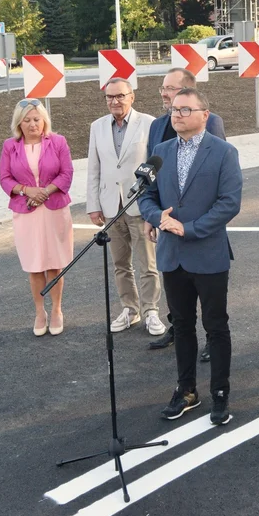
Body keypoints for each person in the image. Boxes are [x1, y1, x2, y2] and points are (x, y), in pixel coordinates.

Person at [139, 88, 242, 426]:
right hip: (172, 255)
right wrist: (158, 218)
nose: (177, 114)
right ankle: (186, 390)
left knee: (215, 326)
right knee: (181, 324)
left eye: (185, 109)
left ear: (204, 115)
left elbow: (229, 203)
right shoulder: (161, 151)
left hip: (208, 253)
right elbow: (146, 196)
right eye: (174, 109)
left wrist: (190, 228)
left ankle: (220, 392)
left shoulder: (224, 152)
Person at [145, 67, 226, 357]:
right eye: (163, 89)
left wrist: (191, 226)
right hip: (166, 226)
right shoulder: (157, 125)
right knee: (179, 299)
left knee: (209, 302)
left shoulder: (211, 123)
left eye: (171, 89)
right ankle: (176, 329)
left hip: (200, 233)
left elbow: (215, 176)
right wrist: (151, 216)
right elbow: (149, 175)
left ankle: (208, 341)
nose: (165, 94)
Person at [86, 78, 165, 337]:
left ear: (132, 97)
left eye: (120, 96)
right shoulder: (97, 127)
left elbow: (156, 166)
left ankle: (151, 310)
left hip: (140, 206)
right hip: (111, 206)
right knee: (120, 263)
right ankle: (130, 309)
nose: (115, 101)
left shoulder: (149, 123)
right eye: (110, 97)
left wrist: (155, 205)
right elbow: (94, 169)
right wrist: (93, 205)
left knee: (148, 263)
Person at [0, 99, 75, 336]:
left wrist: (45, 192)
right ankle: (40, 311)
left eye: (37, 119)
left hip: (54, 211)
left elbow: (67, 173)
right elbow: (5, 178)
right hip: (26, 212)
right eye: (27, 120)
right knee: (35, 266)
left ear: (44, 121)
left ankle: (56, 311)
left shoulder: (58, 142)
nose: (33, 124)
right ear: (19, 123)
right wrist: (26, 190)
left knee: (54, 264)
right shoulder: (10, 146)